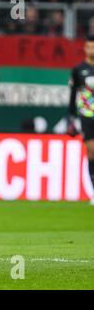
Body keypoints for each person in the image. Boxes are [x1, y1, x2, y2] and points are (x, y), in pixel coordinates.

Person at [68, 35, 94, 205]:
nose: (92, 50)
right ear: (85, 48)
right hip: (87, 115)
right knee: (92, 153)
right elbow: (72, 95)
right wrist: (71, 118)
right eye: (89, 47)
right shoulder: (79, 70)